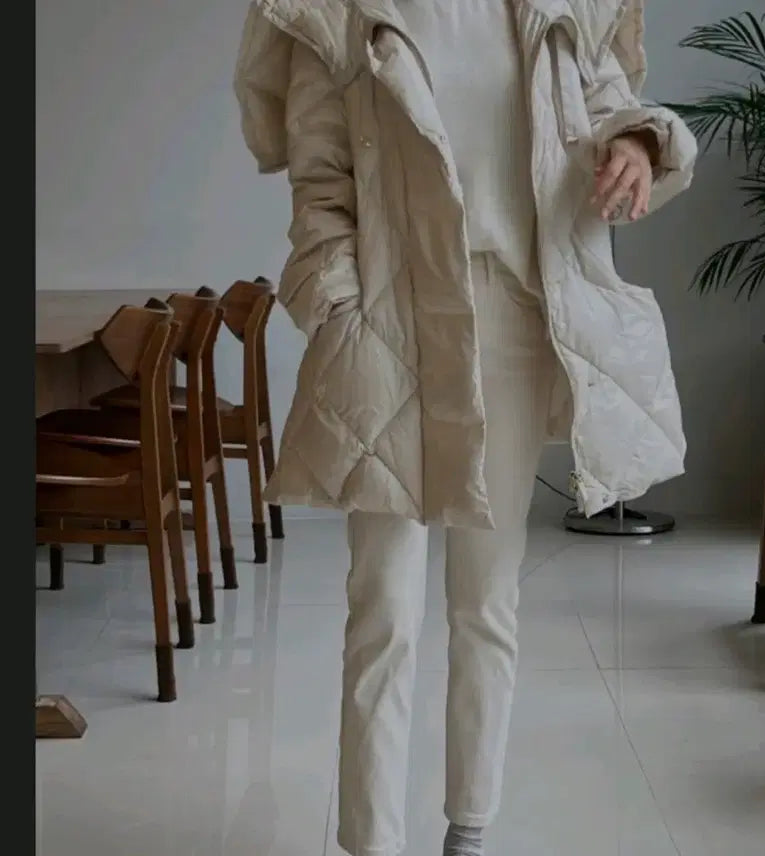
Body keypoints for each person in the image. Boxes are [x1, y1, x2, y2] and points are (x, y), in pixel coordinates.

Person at [235, 2, 697, 854]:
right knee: (382, 605)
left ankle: (468, 830)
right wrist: (340, 308)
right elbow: (320, 183)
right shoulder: (340, 16)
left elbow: (610, 110)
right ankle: (372, 842)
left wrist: (637, 144)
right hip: (393, 318)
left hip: (512, 318)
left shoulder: (555, 9)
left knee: (486, 598)